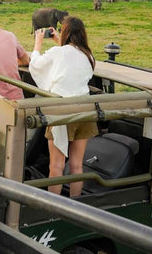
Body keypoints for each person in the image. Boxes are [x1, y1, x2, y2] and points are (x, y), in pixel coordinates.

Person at [28, 16, 97, 197]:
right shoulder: (89, 55)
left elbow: (35, 65)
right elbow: (70, 61)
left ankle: (54, 207)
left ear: (65, 32)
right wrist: (60, 42)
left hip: (62, 112)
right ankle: (75, 204)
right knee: (76, 165)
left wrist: (38, 44)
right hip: (85, 110)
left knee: (56, 165)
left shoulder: (57, 53)